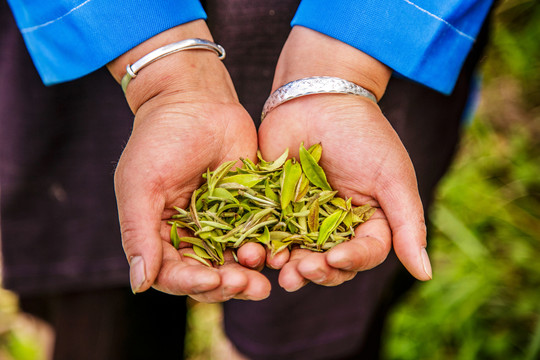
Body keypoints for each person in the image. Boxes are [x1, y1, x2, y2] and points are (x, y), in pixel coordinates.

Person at [1, 1, 493, 359]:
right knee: (102, 304)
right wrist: (160, 70)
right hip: (106, 45)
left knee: (313, 326)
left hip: (374, 52)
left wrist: (348, 59)